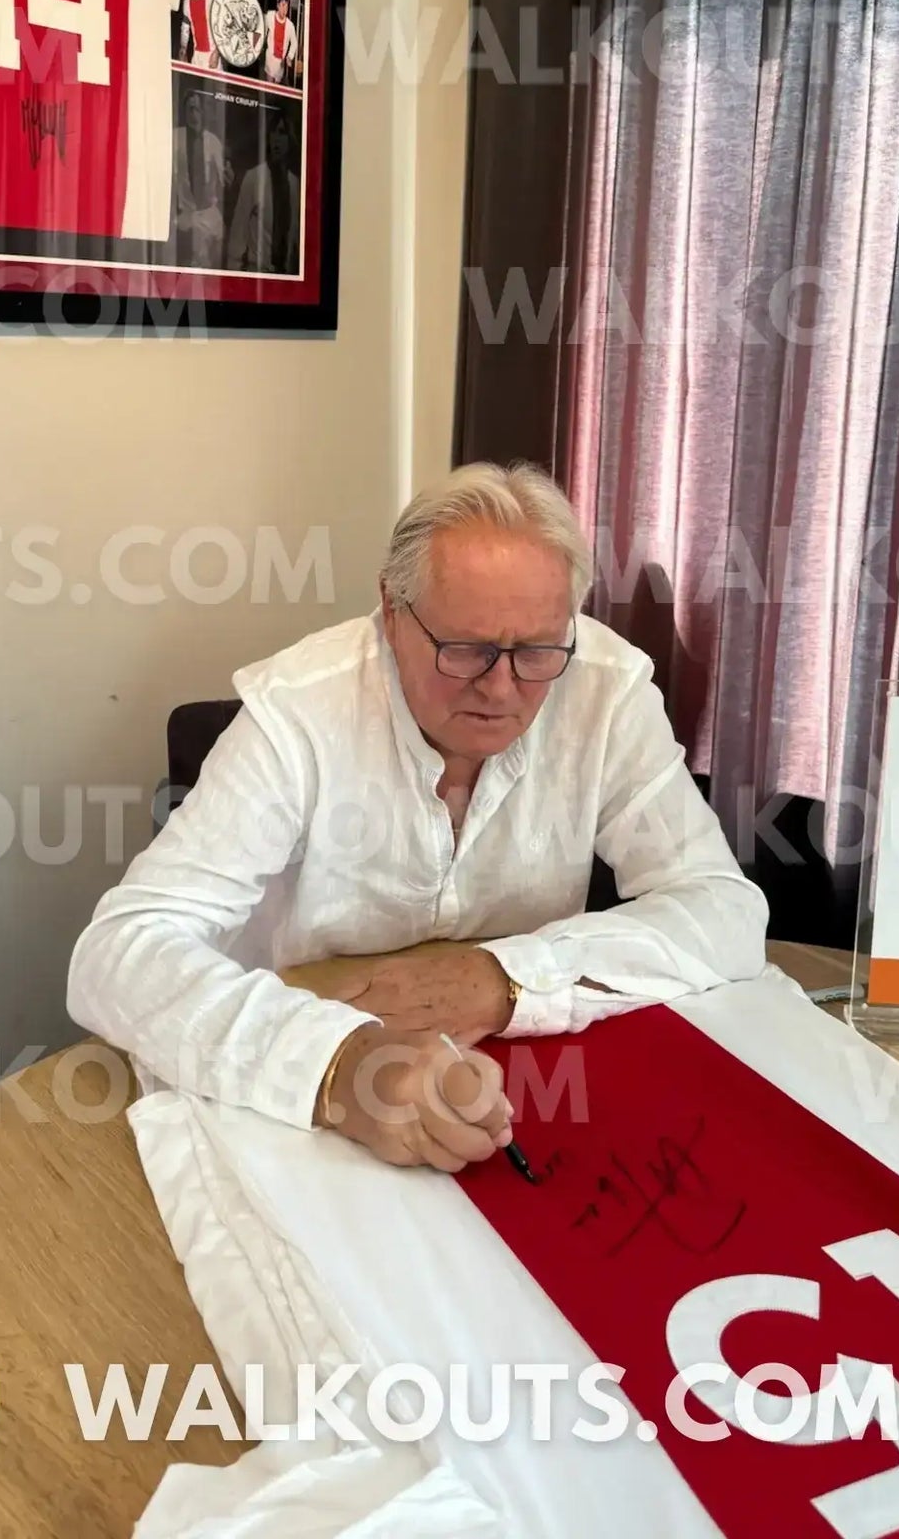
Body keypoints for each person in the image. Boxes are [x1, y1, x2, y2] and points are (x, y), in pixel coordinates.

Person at [66, 463, 769, 1173]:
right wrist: (340, 1068)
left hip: (527, 1082)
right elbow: (117, 954)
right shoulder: (299, 712)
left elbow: (725, 910)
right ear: (392, 613)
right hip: (287, 1090)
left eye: (535, 651)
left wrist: (506, 980)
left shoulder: (607, 691)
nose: (502, 689)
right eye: (465, 649)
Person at [225, 108, 298, 273]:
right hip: (257, 273)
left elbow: (295, 239)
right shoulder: (254, 178)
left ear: (290, 139)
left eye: (282, 133)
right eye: (273, 133)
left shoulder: (294, 184)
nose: (277, 140)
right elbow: (237, 234)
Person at [171, 89, 226, 268]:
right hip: (185, 220)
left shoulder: (213, 142)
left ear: (203, 113)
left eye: (197, 109)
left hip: (210, 219)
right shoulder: (175, 138)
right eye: (190, 109)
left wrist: (228, 175)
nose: (193, 114)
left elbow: (224, 179)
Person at [178, 0, 218, 69]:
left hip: (212, 57)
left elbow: (221, 29)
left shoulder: (211, 0)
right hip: (196, 58)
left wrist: (217, 53)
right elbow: (185, 29)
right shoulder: (186, 2)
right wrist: (183, 50)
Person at [263, 0, 298, 85]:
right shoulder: (270, 16)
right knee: (269, 84)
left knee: (276, 86)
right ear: (278, 6)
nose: (284, 9)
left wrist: (290, 56)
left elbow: (294, 43)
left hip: (281, 63)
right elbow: (262, 29)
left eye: (286, 7)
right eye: (282, 6)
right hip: (270, 58)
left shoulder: (290, 26)